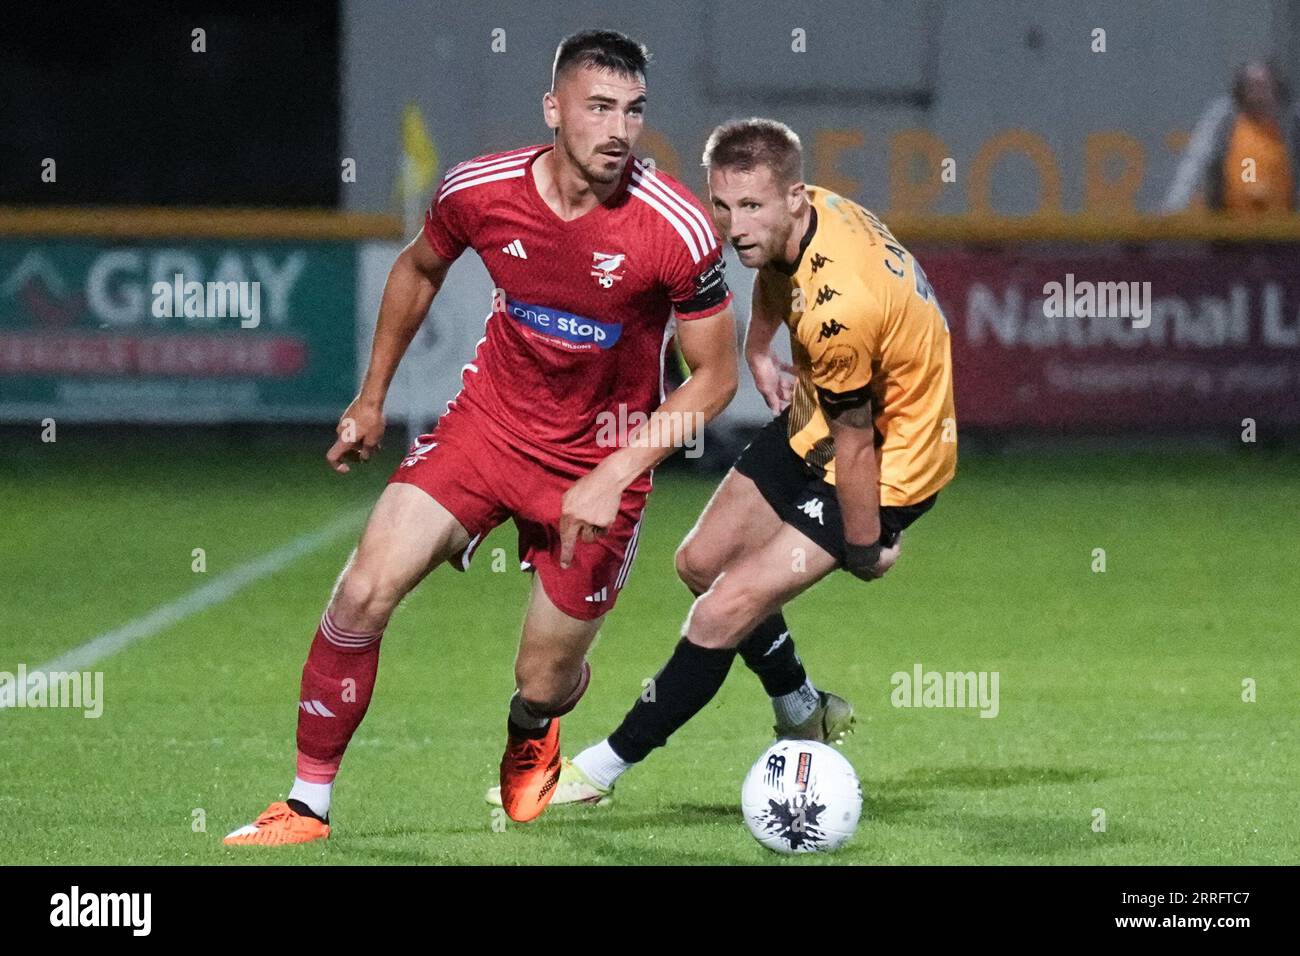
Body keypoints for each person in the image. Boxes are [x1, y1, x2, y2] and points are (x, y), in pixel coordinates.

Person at [222, 29, 744, 842]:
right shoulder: (480, 190)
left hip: (602, 458)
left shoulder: (673, 226)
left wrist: (618, 470)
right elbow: (418, 267)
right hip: (486, 430)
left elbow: (715, 376)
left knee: (543, 675)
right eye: (599, 107)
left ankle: (536, 723)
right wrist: (371, 398)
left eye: (633, 111)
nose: (618, 130)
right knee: (363, 591)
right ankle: (306, 803)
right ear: (553, 109)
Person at [516, 117, 956, 808]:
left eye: (750, 207)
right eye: (723, 205)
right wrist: (758, 350)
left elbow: (857, 443)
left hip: (889, 456)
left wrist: (867, 547)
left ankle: (596, 772)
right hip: (823, 420)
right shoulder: (813, 214)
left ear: (792, 198)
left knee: (721, 613)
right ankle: (802, 709)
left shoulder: (842, 310)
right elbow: (781, 273)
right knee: (699, 564)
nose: (733, 224)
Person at [1163, 59, 1299, 215]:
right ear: (1242, 89)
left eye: (1263, 85)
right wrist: (1174, 206)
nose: (1258, 93)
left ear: (1276, 87)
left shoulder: (1293, 122)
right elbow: (1195, 161)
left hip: (1284, 230)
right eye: (1252, 85)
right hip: (1231, 228)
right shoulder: (1224, 119)